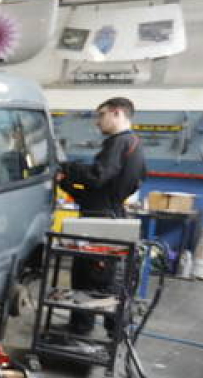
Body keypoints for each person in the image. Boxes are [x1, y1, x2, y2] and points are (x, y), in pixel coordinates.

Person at [57, 96, 147, 335]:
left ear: (117, 113)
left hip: (101, 221)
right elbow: (99, 190)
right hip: (106, 213)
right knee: (91, 276)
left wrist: (68, 168)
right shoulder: (133, 143)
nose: (98, 122)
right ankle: (85, 325)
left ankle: (96, 329)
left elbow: (98, 175)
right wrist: (66, 184)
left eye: (101, 115)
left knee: (94, 277)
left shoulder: (120, 142)